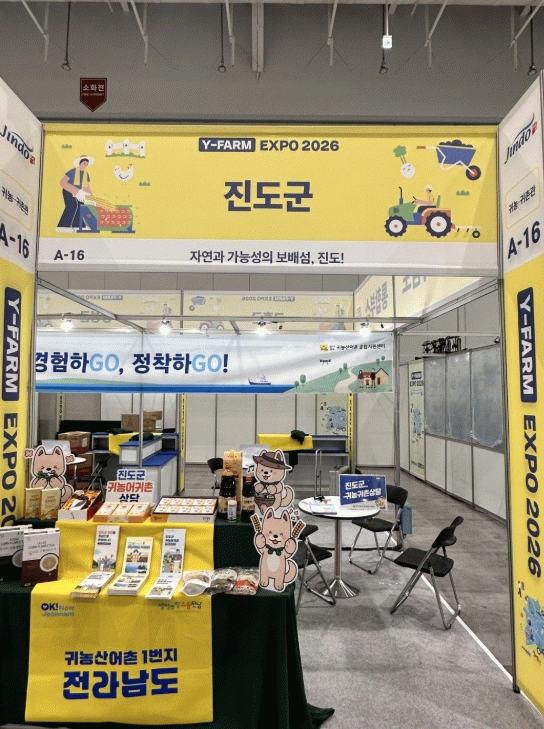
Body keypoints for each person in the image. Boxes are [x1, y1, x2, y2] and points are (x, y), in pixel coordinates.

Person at [57, 155, 95, 231]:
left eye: (87, 164)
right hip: (68, 190)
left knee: (81, 206)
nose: (85, 165)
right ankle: (63, 226)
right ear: (80, 163)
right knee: (72, 206)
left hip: (79, 193)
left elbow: (86, 187)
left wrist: (92, 198)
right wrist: (76, 191)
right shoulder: (73, 171)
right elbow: (62, 182)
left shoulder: (86, 174)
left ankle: (78, 226)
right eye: (84, 163)